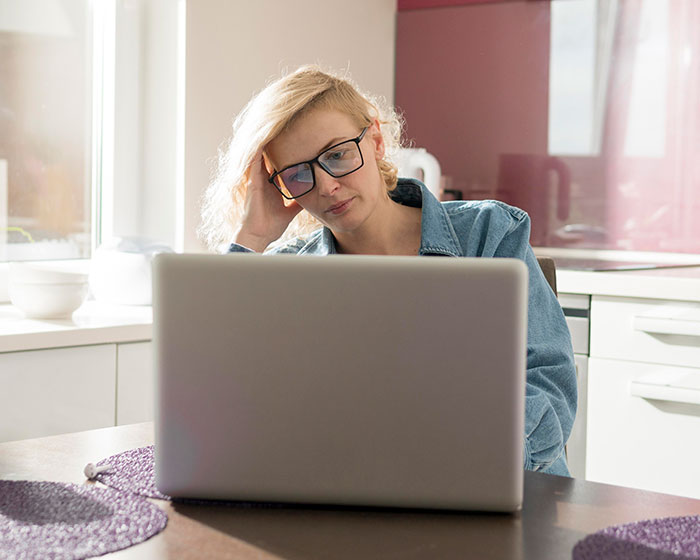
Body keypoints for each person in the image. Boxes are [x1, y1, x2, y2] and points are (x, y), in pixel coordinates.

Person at [199, 65, 577, 476]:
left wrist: (477, 463)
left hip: (503, 482)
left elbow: (548, 380)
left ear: (376, 140)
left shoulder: (489, 234)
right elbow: (221, 401)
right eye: (297, 174)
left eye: (337, 154)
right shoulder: (286, 274)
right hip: (358, 488)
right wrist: (252, 236)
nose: (326, 186)